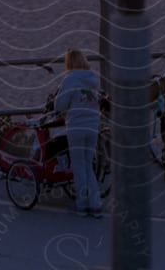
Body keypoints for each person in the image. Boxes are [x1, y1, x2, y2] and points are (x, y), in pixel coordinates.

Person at [54, 47, 104, 217]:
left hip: (76, 126)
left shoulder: (70, 80)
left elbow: (60, 105)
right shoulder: (93, 79)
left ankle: (82, 204)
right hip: (93, 125)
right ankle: (95, 203)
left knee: (79, 166)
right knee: (88, 164)